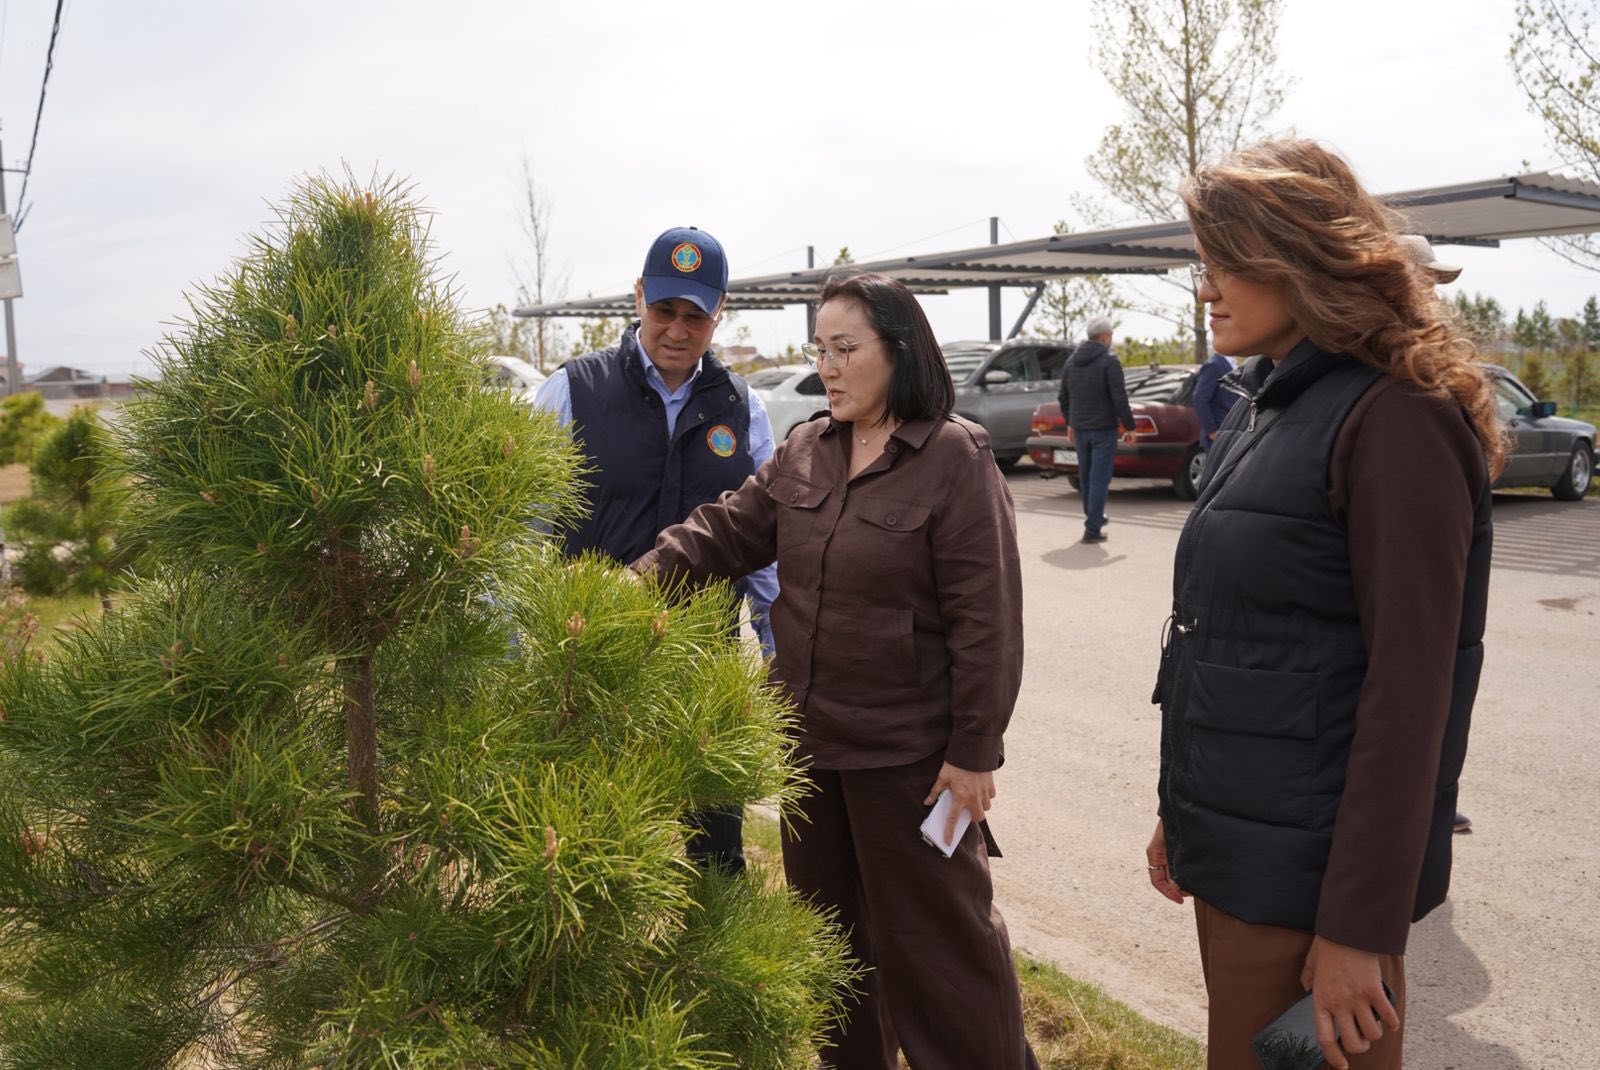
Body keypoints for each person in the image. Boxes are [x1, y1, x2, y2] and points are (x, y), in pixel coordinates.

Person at [1145, 139, 1500, 1070]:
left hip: (1311, 900)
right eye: (1202, 263)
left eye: (1225, 262)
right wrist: (1181, 811)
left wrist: (1357, 925)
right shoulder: (1272, 405)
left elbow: (1414, 696)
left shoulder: (1397, 422)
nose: (1206, 288)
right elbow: (1232, 642)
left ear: (1298, 258)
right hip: (1244, 859)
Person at [633, 271, 1039, 1070]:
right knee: (832, 957)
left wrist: (974, 752)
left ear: (900, 351)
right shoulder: (807, 450)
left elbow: (987, 619)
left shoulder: (953, 457)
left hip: (911, 766)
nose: (829, 366)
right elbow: (720, 535)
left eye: (847, 348)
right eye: (821, 349)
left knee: (941, 959)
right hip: (812, 757)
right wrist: (631, 582)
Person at [531, 225, 776, 875]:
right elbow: (520, 530)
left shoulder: (742, 409)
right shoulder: (573, 392)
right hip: (589, 672)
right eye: (664, 309)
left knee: (716, 865)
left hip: (702, 676)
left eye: (695, 315)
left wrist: (779, 652)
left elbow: (771, 549)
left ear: (720, 311)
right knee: (581, 860)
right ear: (638, 296)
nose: (677, 328)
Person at [1398, 233, 1474, 836]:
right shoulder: (1405, 386)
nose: (1433, 294)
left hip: (1457, 590)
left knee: (1444, 696)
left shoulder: (1442, 369)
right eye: (1424, 280)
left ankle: (1435, 803)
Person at [1057, 316, 1134, 543]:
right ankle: (1092, 529)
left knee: (1087, 477)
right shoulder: (1109, 360)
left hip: (1080, 429)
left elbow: (1063, 397)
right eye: (1110, 336)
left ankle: (1095, 516)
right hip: (1103, 429)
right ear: (1104, 337)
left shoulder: (1071, 361)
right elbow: (1119, 397)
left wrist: (1070, 422)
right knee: (1099, 479)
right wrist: (1130, 426)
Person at [1191, 350, 1240, 450]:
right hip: (1220, 434)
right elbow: (1200, 399)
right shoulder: (1214, 365)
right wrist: (1212, 431)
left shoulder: (1233, 363)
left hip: (1232, 433)